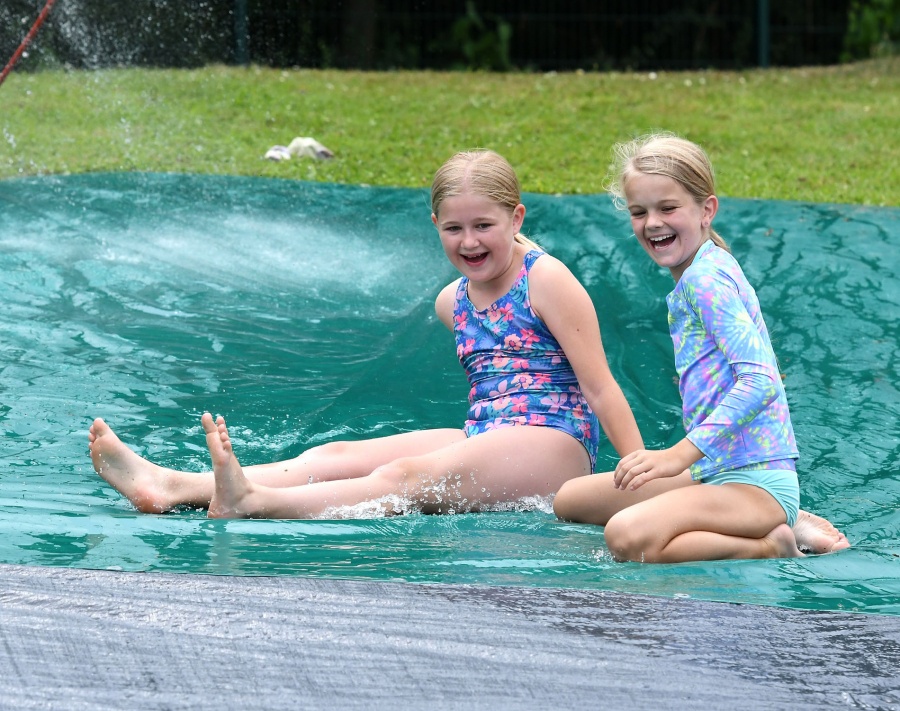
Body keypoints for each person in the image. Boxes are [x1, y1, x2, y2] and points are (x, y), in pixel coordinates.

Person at [88, 149, 646, 519]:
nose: (470, 241)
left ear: (517, 219)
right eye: (454, 228)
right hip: (490, 434)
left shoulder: (546, 280)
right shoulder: (451, 302)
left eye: (485, 226)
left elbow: (599, 388)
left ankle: (253, 500)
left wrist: (640, 468)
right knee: (337, 453)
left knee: (406, 476)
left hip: (556, 446)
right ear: (435, 226)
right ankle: (172, 486)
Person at [553, 133, 850, 562]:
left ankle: (773, 540)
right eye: (640, 212)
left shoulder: (705, 281)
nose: (653, 222)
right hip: (716, 473)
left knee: (625, 536)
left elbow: (761, 380)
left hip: (752, 481)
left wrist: (678, 455)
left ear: (706, 210)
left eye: (668, 208)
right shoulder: (698, 270)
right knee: (571, 499)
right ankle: (786, 516)